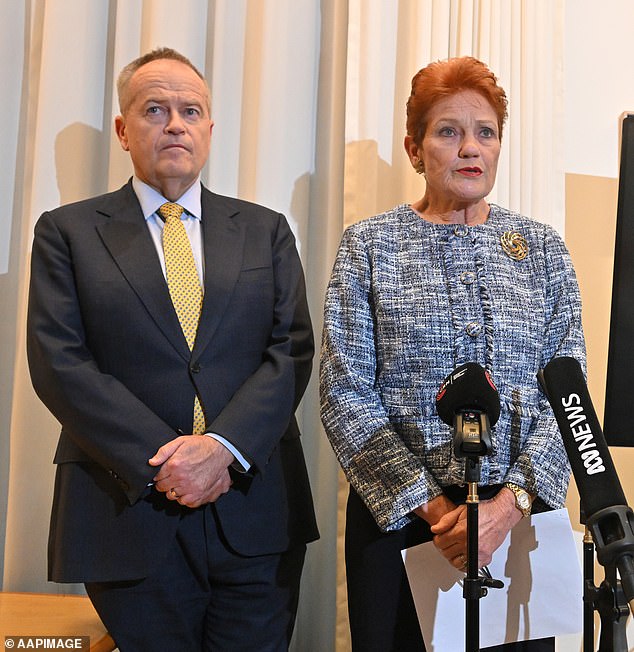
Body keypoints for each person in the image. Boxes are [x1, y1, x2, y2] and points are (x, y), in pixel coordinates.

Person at [27, 47, 318, 652]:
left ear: (210, 129)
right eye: (155, 109)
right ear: (123, 128)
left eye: (191, 110)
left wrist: (221, 449)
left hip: (254, 513)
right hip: (127, 513)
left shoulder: (265, 229)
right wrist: (169, 461)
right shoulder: (67, 232)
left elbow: (289, 350)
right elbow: (60, 363)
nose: (175, 123)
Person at [319, 56, 585, 651]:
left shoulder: (540, 248)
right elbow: (345, 395)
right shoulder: (369, 245)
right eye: (449, 132)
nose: (470, 147)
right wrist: (440, 511)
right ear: (415, 150)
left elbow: (567, 394)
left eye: (485, 132)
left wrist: (509, 506)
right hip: (405, 530)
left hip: (519, 529)